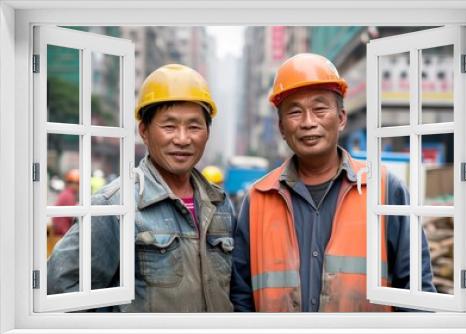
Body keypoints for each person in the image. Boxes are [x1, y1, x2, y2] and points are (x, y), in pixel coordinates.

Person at [230, 53, 436, 312]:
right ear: (282, 128)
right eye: (295, 112)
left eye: (320, 109)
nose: (308, 122)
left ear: (341, 118)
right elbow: (241, 298)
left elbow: (417, 294)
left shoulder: (384, 189)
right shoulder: (258, 198)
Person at [47, 64, 236, 312]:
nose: (182, 138)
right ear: (144, 131)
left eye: (194, 126)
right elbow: (62, 290)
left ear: (207, 133)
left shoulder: (220, 205)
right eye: (169, 126)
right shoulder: (115, 206)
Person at [51, 169, 79, 236]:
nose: (79, 186)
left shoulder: (66, 193)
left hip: (60, 231)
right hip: (63, 233)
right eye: (78, 183)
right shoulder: (68, 195)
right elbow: (73, 216)